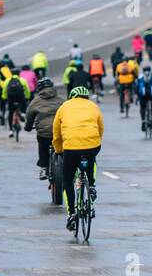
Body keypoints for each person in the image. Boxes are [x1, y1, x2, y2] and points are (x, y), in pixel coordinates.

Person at [52, 86, 104, 231]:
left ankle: (72, 214)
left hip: (71, 147)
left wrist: (58, 150)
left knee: (67, 180)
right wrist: (96, 141)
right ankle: (92, 185)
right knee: (92, 158)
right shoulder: (94, 106)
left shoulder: (64, 107)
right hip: (92, 144)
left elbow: (56, 133)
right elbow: (100, 128)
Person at [24, 78, 61, 181]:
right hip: (59, 133)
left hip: (44, 134)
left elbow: (29, 115)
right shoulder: (61, 100)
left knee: (42, 143)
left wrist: (28, 127)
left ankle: (44, 167)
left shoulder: (36, 101)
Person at [136, 64, 152, 132]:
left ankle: (143, 121)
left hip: (143, 95)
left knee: (142, 107)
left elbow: (137, 87)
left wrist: (137, 96)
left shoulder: (140, 77)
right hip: (151, 95)